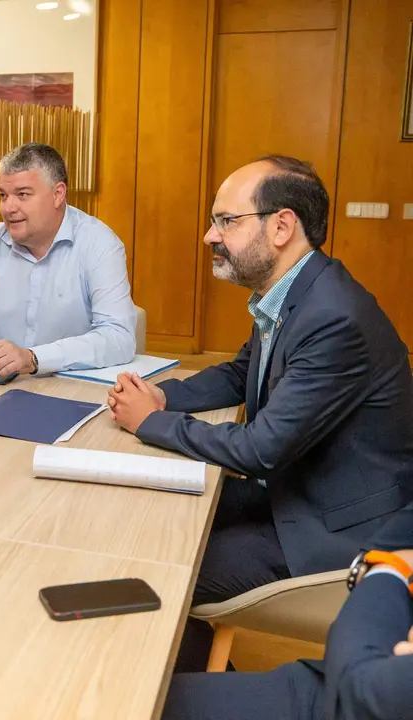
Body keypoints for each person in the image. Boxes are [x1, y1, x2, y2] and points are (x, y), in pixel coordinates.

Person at [108, 156, 413, 668]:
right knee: (151, 517)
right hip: (297, 490)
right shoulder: (297, 292)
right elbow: (238, 374)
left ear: (281, 226)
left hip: (335, 529)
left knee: (159, 562)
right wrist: (164, 396)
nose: (209, 235)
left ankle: (187, 690)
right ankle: (201, 670)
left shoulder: (333, 316)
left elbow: (261, 448)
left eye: (226, 221)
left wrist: (150, 421)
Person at [162, 505, 413, 720]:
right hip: (346, 671)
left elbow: (364, 690)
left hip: (354, 691)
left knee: (143, 701)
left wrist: (389, 569)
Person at [0, 142, 136, 379]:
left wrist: (33, 358)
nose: (8, 208)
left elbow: (118, 338)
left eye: (22, 195)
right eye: (3, 195)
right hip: (0, 390)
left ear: (58, 194)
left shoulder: (99, 244)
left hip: (73, 389)